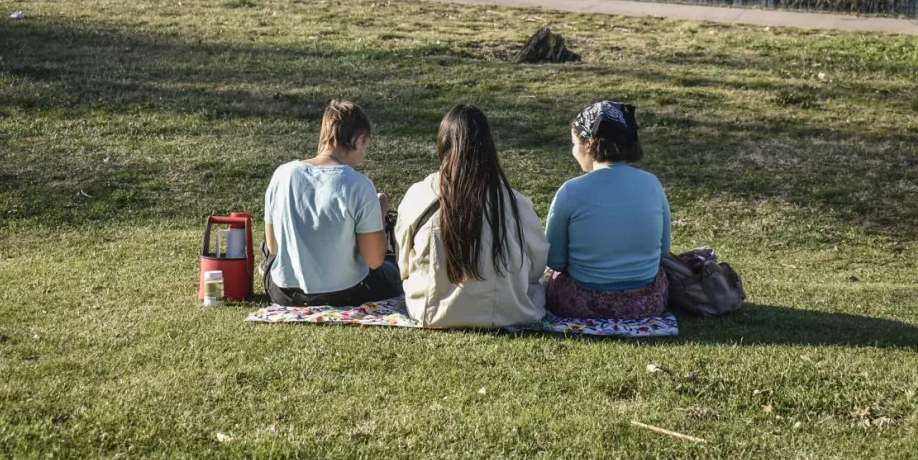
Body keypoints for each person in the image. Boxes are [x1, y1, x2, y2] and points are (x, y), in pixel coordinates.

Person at [395, 105, 549, 328]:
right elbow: (537, 267)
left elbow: (403, 264)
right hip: (509, 312)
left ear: (443, 143)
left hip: (432, 312)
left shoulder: (419, 195)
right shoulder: (514, 202)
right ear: (489, 147)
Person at [262, 100, 401, 306]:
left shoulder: (282, 175)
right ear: (358, 140)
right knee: (392, 268)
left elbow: (273, 246)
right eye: (366, 146)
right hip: (347, 292)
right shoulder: (359, 184)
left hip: (285, 291)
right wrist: (379, 210)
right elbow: (374, 260)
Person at [544, 101, 671, 319]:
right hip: (648, 302)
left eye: (574, 143)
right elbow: (664, 251)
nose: (573, 150)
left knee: (546, 277)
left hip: (583, 303)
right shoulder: (652, 184)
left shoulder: (571, 191)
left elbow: (554, 261)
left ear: (589, 145)